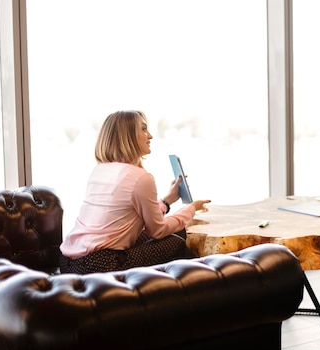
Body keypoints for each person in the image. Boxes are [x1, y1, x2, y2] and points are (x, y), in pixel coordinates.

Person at [60, 110, 210, 274]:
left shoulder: (100, 170)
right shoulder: (141, 178)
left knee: (175, 230)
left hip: (68, 262)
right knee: (177, 243)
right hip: (99, 263)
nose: (150, 136)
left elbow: (128, 215)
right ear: (127, 136)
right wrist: (191, 209)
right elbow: (157, 230)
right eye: (144, 129)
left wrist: (167, 202)